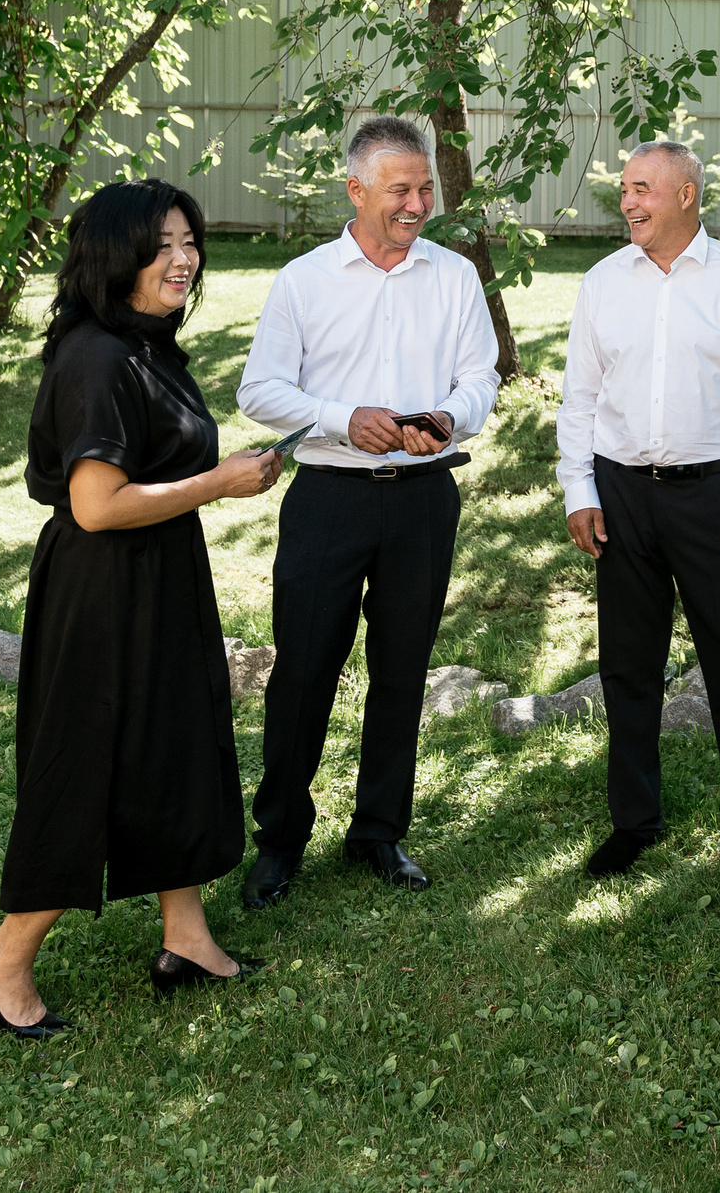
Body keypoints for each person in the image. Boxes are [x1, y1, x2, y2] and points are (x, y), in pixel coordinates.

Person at [0, 179, 280, 1039]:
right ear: (116, 256)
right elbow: (96, 504)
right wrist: (219, 481)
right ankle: (3, 961)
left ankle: (188, 937)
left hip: (162, 570)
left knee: (176, 741)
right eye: (162, 244)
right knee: (88, 765)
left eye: (189, 241)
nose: (184, 259)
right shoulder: (97, 356)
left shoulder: (147, 345)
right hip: (104, 588)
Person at [235, 116, 501, 908]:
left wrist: (450, 419)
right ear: (355, 190)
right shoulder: (306, 278)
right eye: (401, 190)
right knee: (305, 669)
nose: (418, 203)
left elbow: (481, 376)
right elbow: (259, 389)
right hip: (328, 497)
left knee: (401, 671)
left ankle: (380, 831)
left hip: (423, 499)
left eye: (425, 188)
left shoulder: (453, 276)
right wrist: (341, 416)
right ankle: (279, 839)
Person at [557, 140, 720, 878]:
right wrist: (579, 489)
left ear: (687, 195)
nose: (628, 202)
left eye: (642, 190)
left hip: (717, 497)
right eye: (626, 189)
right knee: (628, 665)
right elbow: (580, 397)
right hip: (622, 493)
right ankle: (634, 820)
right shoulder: (603, 283)